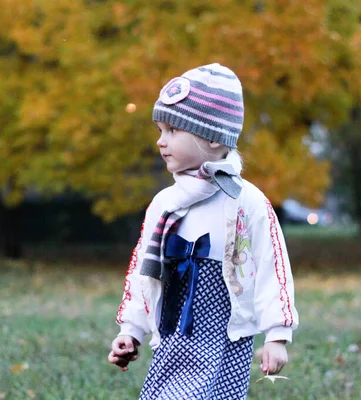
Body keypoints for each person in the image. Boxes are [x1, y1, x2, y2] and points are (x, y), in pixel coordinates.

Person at [108, 63, 299, 399]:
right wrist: (132, 330)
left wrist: (277, 335)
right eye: (160, 130)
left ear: (212, 137)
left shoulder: (245, 201)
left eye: (172, 131)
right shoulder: (166, 203)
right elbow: (144, 271)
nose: (161, 142)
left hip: (226, 336)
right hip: (173, 333)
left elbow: (273, 266)